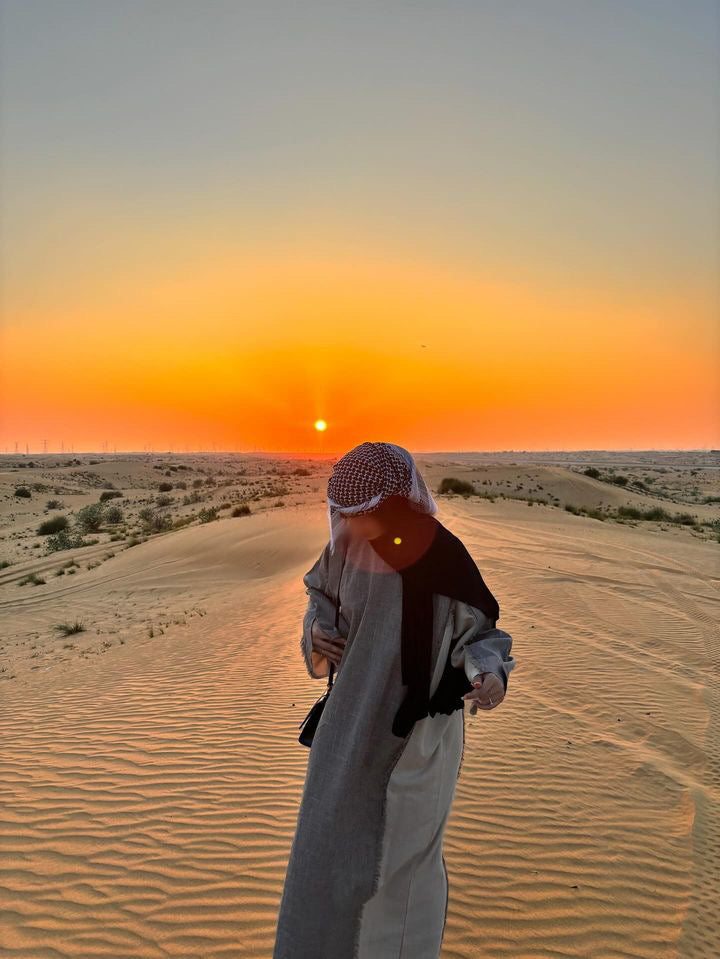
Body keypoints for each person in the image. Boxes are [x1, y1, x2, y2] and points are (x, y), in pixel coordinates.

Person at [273, 441, 516, 959]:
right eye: (344, 514)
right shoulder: (346, 545)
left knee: (397, 869)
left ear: (397, 504)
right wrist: (316, 630)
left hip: (416, 740)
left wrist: (488, 675)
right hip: (346, 727)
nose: (350, 525)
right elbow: (319, 594)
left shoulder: (445, 559)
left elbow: (482, 636)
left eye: (362, 514)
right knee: (323, 856)